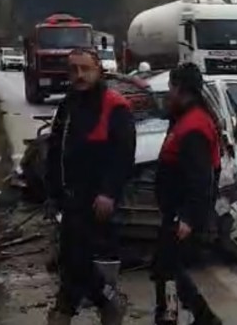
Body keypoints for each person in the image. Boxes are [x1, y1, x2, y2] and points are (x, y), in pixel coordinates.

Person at [45, 48, 137, 325]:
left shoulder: (114, 105)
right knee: (72, 261)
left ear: (99, 70)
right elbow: (56, 152)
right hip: (70, 198)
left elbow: (124, 155)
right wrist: (52, 193)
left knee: (80, 259)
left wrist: (109, 192)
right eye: (73, 69)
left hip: (97, 200)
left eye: (85, 69)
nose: (79, 75)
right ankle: (96, 304)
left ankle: (100, 302)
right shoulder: (68, 105)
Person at [152, 63, 223, 325]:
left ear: (180, 89)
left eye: (171, 87)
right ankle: (181, 314)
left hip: (183, 211)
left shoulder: (194, 126)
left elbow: (200, 178)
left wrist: (188, 217)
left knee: (167, 266)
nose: (168, 93)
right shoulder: (184, 118)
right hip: (176, 208)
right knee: (166, 266)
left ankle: (189, 317)